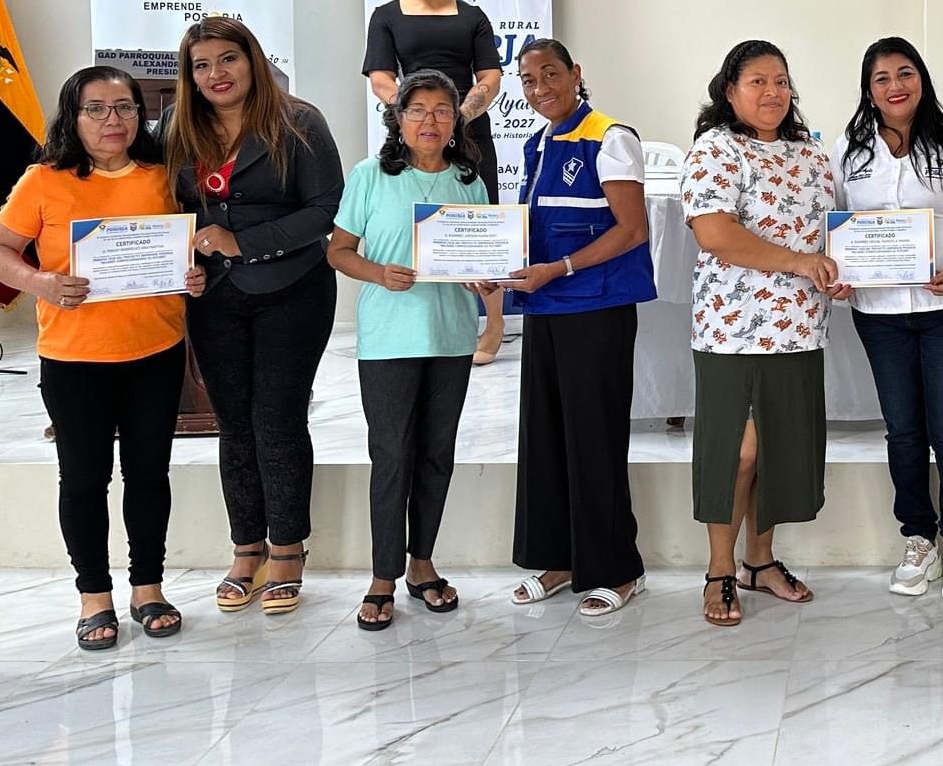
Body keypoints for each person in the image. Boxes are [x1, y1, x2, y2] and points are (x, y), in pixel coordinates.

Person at [0, 67, 206, 651]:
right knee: (83, 479)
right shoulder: (43, 181)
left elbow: (185, 250)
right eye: (97, 109)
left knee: (149, 475)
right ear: (73, 118)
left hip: (155, 351)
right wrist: (41, 282)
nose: (113, 120)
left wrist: (193, 275)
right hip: (74, 358)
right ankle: (94, 596)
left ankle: (148, 587)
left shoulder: (164, 177)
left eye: (125, 108)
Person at [160, 17, 343, 617]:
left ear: (252, 60)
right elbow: (164, 206)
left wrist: (243, 242)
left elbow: (326, 209)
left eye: (228, 59)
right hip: (213, 296)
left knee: (278, 419)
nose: (216, 74)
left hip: (293, 289)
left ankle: (288, 550)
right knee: (234, 424)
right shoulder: (176, 126)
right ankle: (247, 550)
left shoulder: (300, 121)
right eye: (202, 65)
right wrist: (181, 259)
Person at [830, 37, 943, 601]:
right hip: (881, 314)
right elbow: (835, 219)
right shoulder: (850, 148)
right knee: (903, 431)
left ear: (922, 79)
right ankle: (917, 537)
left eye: (905, 73)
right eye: (881, 78)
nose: (895, 86)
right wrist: (839, 270)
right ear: (868, 90)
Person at [681, 40, 836, 626]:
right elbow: (715, 233)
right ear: (730, 90)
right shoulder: (716, 148)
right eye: (757, 81)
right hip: (733, 327)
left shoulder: (810, 152)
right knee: (736, 452)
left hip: (799, 326)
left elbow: (828, 234)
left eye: (781, 81)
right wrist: (799, 262)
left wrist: (839, 270)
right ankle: (719, 570)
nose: (773, 92)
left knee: (776, 447)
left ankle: (759, 561)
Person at [328, 70, 488, 631]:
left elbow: (479, 259)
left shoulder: (469, 180)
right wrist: (379, 273)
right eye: (417, 110)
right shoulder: (370, 175)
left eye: (442, 110)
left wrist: (482, 277)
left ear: (456, 120)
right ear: (397, 118)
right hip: (389, 339)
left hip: (450, 337)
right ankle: (382, 576)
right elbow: (338, 251)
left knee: (437, 454)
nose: (430, 121)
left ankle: (422, 564)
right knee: (392, 455)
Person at [501, 38, 655, 617]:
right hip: (546, 307)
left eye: (550, 74)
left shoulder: (610, 137)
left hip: (595, 307)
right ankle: (559, 558)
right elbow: (533, 228)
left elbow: (632, 229)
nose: (540, 88)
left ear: (575, 74)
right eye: (528, 79)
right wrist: (494, 269)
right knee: (545, 437)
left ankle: (618, 569)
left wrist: (560, 268)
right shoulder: (538, 143)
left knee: (594, 438)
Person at [364, 0, 508, 363]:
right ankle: (423, 316)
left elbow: (490, 76)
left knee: (482, 224)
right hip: (413, 130)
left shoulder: (473, 16)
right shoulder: (386, 15)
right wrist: (417, 112)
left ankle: (494, 323)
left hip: (467, 127)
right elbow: (381, 78)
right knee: (415, 217)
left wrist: (458, 115)